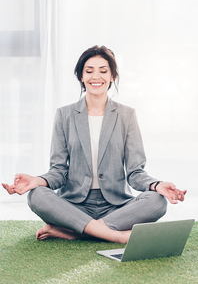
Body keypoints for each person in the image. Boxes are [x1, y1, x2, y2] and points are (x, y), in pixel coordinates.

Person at [2, 45, 187, 244]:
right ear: (81, 76)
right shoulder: (64, 115)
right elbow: (58, 172)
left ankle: (75, 231)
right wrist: (37, 181)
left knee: (157, 201)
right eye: (89, 71)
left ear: (112, 76)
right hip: (73, 205)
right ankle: (115, 235)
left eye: (103, 71)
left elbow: (135, 173)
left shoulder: (127, 115)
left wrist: (157, 185)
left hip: (116, 207)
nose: (95, 76)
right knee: (36, 195)